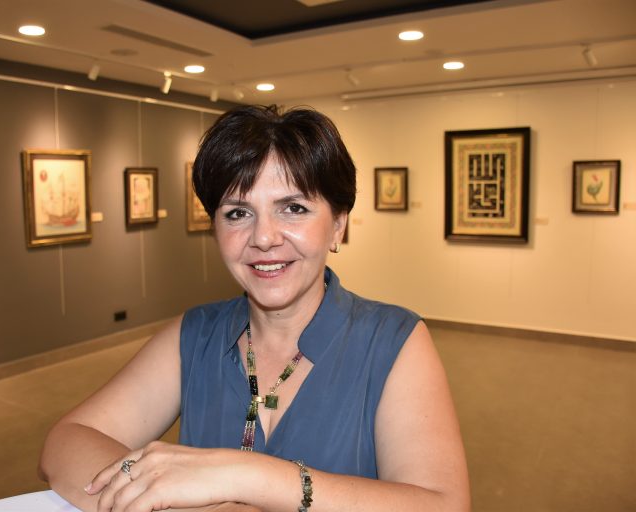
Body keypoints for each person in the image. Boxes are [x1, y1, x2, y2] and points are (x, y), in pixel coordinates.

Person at [39, 104, 470, 512]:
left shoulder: (393, 341)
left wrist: (245, 475)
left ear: (338, 224)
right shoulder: (194, 335)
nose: (264, 238)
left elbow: (443, 505)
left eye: (293, 208)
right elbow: (67, 442)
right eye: (238, 213)